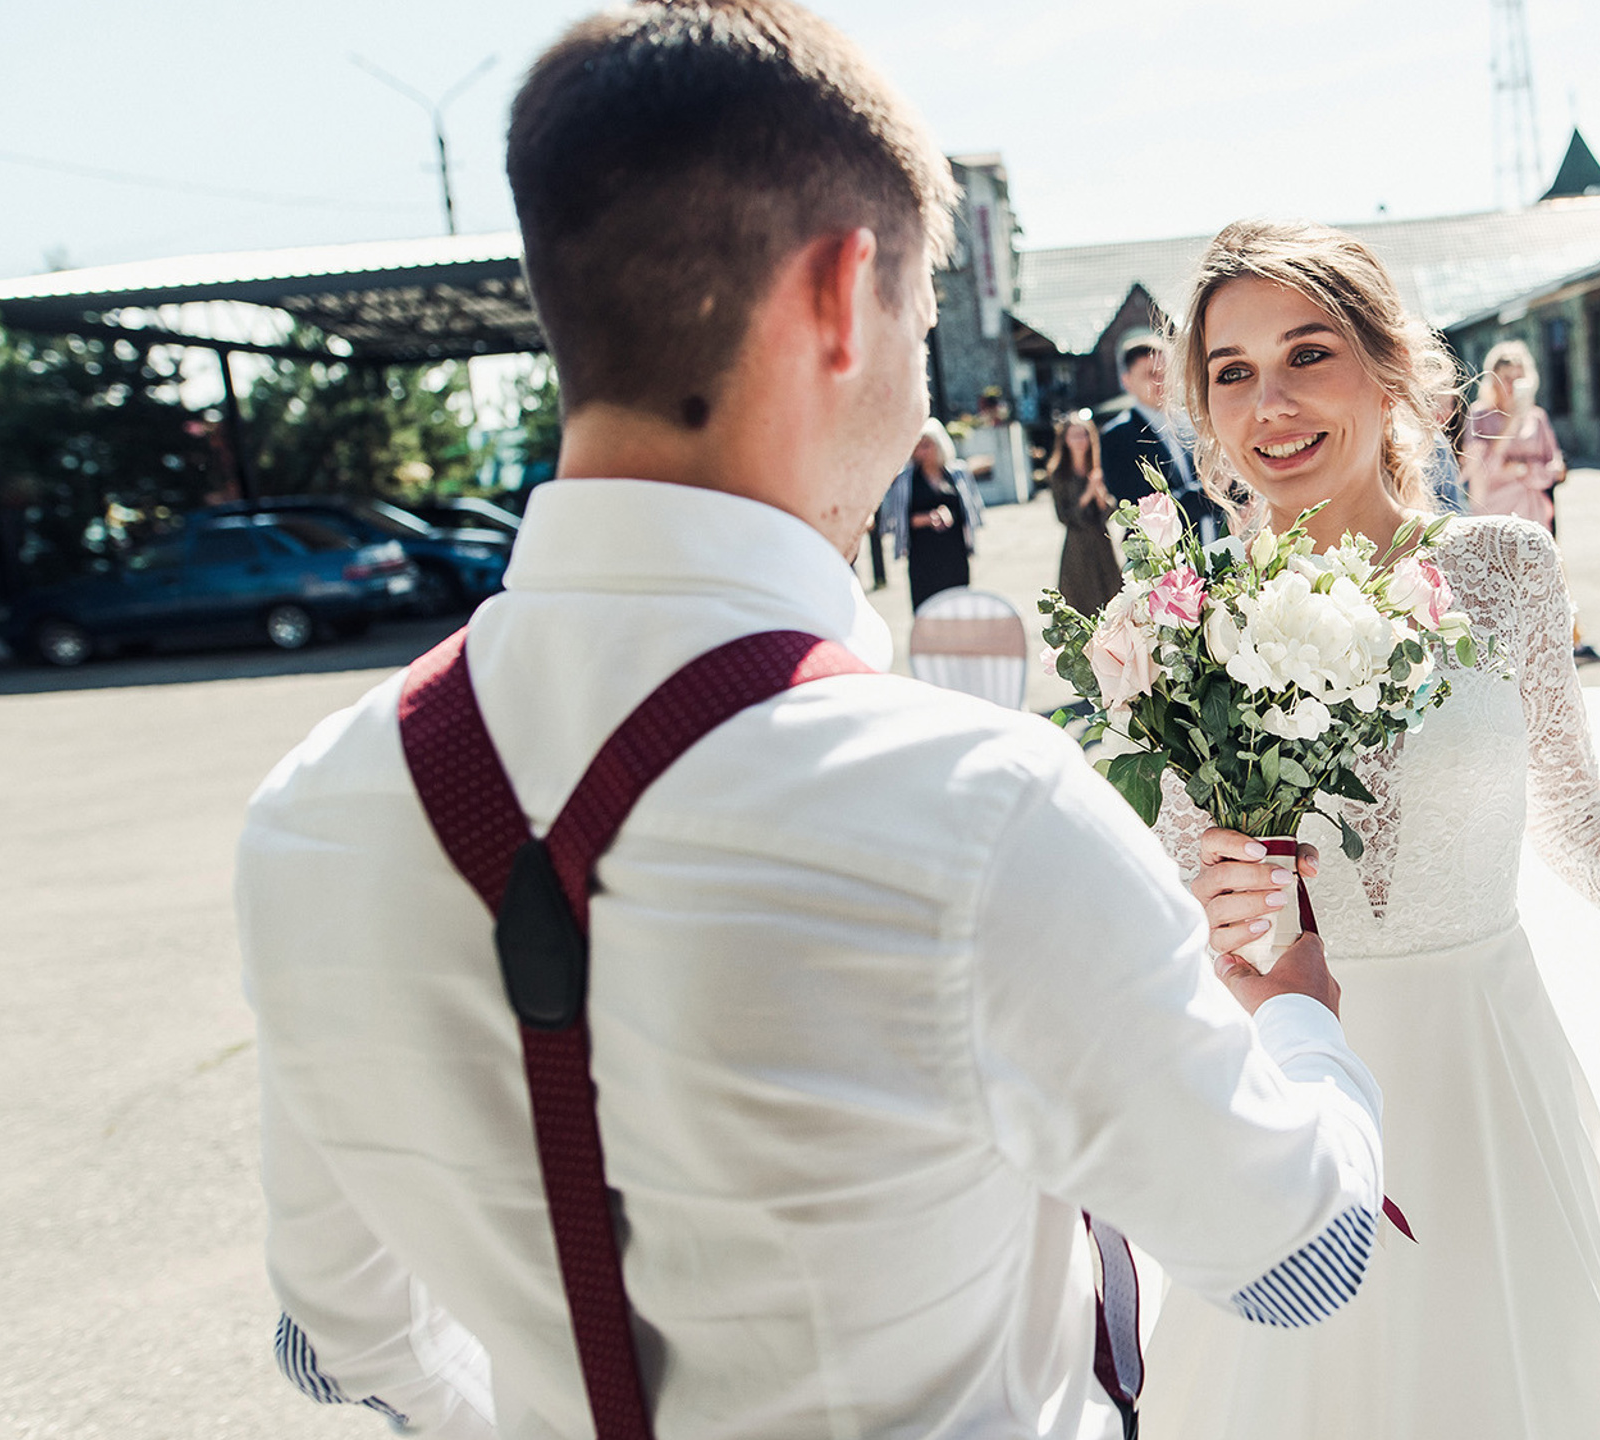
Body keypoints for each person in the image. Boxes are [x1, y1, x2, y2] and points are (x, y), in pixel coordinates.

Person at [237, 7, 1388, 1437]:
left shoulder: (310, 813)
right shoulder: (974, 808)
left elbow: (334, 1341)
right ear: (847, 296)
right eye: (920, 316)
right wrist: (1303, 1024)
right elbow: (1299, 1258)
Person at [1135, 217, 1600, 1439]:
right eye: (1233, 372)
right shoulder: (1182, 623)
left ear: (1387, 368)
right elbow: (1171, 897)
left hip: (1487, 1079)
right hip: (1289, 1083)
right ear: (1204, 411)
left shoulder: (1503, 570)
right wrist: (1197, 902)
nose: (1271, 404)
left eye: (1307, 354)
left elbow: (1576, 817)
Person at [1099, 334, 1217, 539]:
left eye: (1165, 373)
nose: (1161, 381)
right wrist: (1211, 491)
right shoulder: (1117, 437)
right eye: (1150, 374)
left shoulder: (1191, 424)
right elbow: (1144, 512)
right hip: (1164, 554)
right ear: (1127, 382)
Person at [1459, 338, 1566, 529]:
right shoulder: (1479, 415)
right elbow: (1481, 469)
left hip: (1534, 515)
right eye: (1507, 378)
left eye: (1519, 379)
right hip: (1494, 513)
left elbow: (1556, 468)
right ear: (1494, 380)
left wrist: (1521, 468)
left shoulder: (1537, 416)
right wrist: (1512, 422)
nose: (1512, 385)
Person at [877, 418, 982, 609]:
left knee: (958, 604)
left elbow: (969, 510)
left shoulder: (957, 473)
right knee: (927, 607)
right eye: (916, 446)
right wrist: (926, 519)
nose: (921, 452)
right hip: (923, 555)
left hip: (954, 551)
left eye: (926, 445)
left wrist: (949, 514)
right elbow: (895, 519)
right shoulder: (905, 480)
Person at [1045, 407, 1119, 616]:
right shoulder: (1058, 473)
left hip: (1102, 545)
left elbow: (1110, 513)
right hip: (1077, 549)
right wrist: (1087, 494)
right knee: (1080, 607)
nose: (1080, 440)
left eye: (1084, 434)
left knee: (1111, 603)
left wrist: (1100, 496)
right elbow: (1064, 517)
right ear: (1065, 440)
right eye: (1075, 435)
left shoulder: (1099, 467)